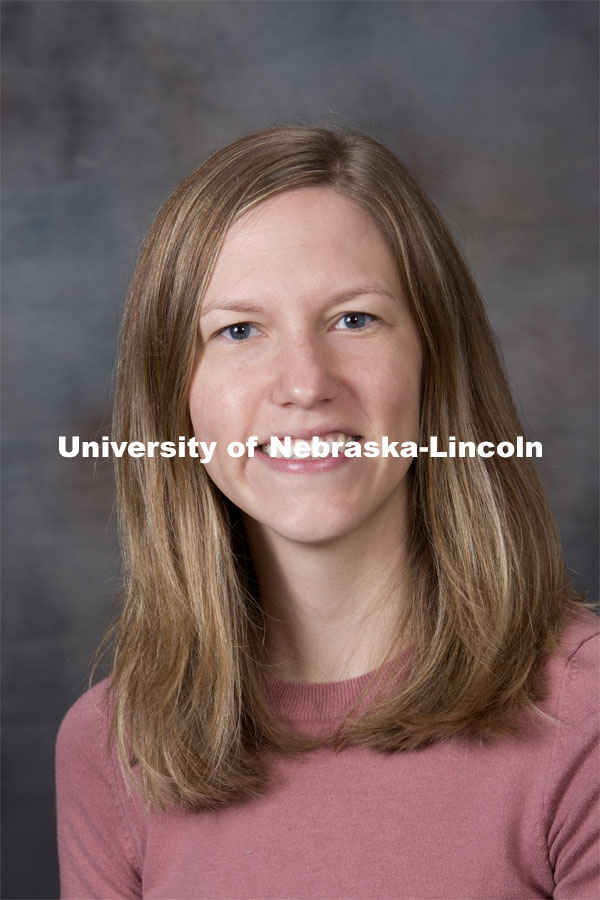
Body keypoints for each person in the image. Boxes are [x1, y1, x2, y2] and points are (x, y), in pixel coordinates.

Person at [55, 124, 599, 899]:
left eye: (354, 319)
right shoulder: (112, 749)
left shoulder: (585, 716)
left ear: (434, 364)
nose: (304, 383)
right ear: (177, 400)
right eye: (239, 330)